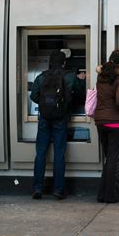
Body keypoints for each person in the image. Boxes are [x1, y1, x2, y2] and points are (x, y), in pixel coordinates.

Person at [30, 50, 85, 200]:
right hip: (61, 118)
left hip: (44, 119)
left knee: (40, 153)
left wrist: (46, 105)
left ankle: (37, 188)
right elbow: (81, 96)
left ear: (50, 62)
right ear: (64, 63)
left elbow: (33, 96)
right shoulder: (70, 76)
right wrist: (80, 81)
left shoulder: (41, 77)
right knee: (59, 153)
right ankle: (58, 190)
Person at [94, 49, 119, 203]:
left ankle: (102, 194)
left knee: (109, 159)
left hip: (100, 121)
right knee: (114, 160)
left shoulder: (101, 75)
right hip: (115, 122)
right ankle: (112, 195)